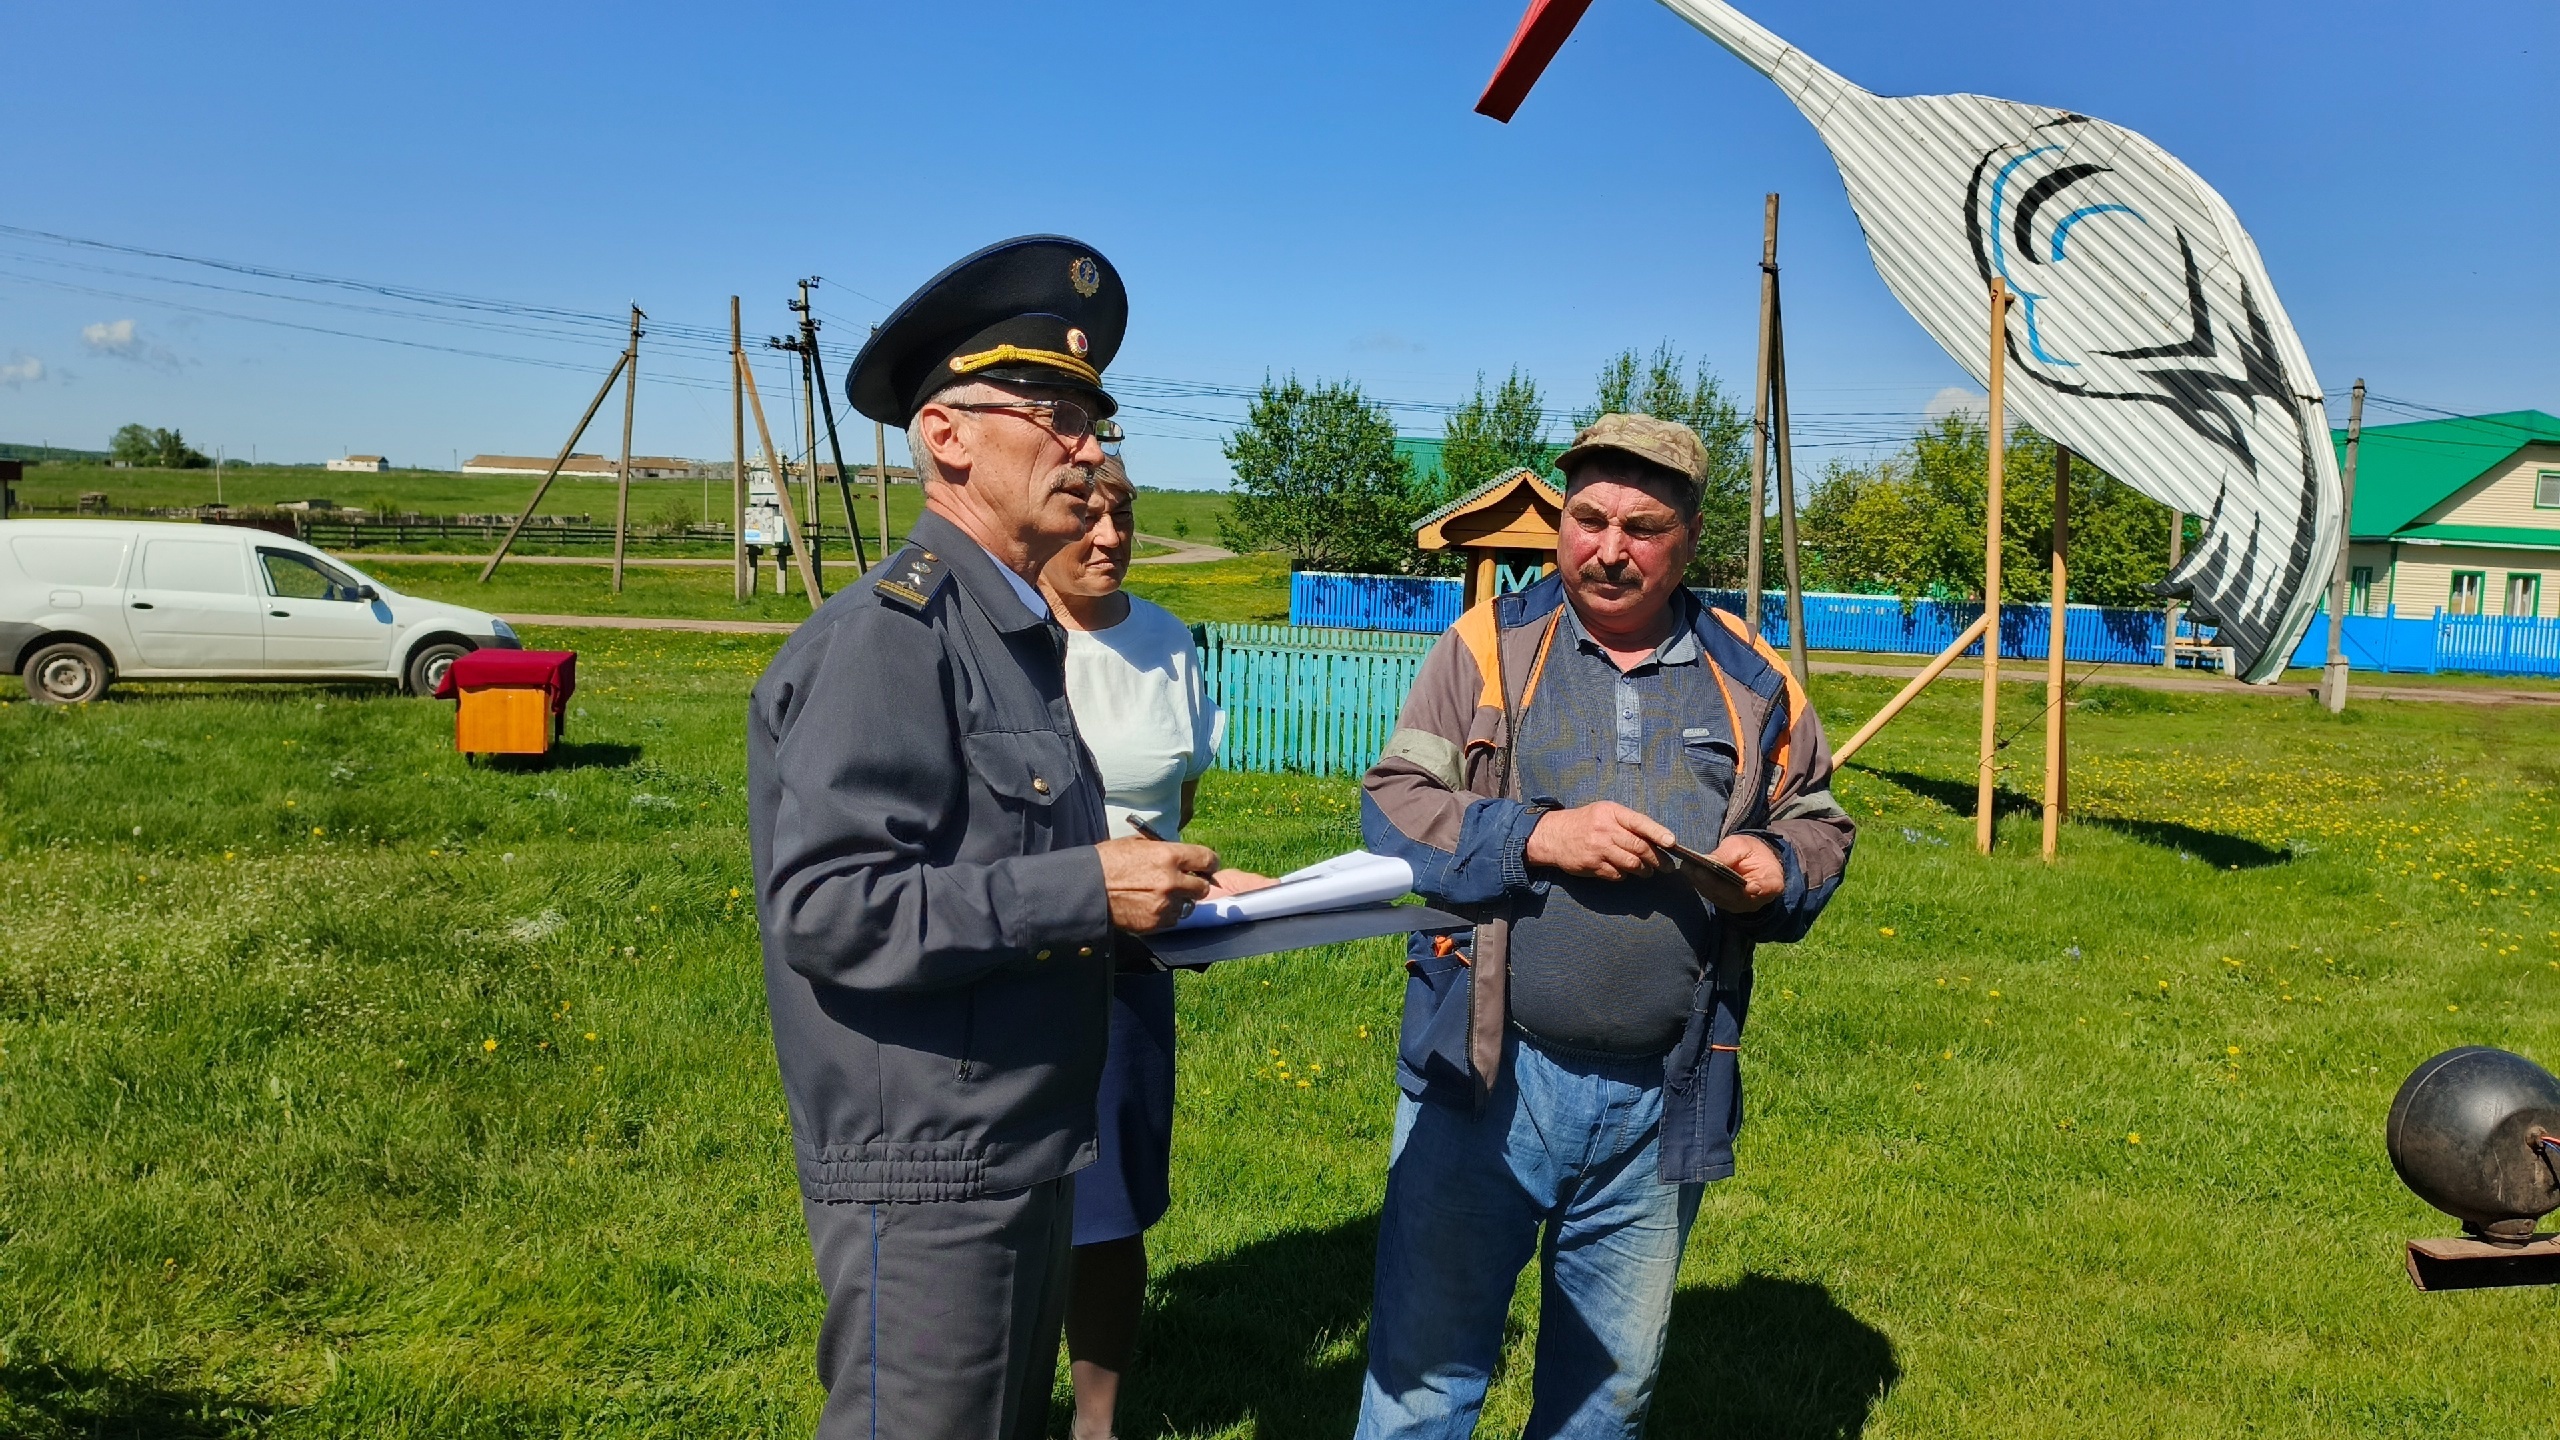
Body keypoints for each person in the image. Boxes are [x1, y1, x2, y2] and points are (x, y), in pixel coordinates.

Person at [747, 235, 1221, 1440]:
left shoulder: (1008, 631)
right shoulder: (894, 639)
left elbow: (1000, 869)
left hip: (1016, 1147)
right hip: (930, 1173)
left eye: (1095, 420)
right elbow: (829, 908)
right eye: (1053, 412)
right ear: (947, 436)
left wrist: (1165, 890)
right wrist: (1083, 890)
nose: (1089, 447)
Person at [1355, 413, 1857, 1438]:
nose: (1607, 548)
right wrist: (1537, 839)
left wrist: (1777, 862)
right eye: (1586, 520)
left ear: (1689, 540)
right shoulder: (1488, 647)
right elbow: (1394, 807)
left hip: (1662, 1091)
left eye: (1642, 527)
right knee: (1422, 1381)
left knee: (1608, 1396)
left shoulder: (1752, 677)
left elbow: (1819, 819)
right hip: (1485, 1075)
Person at [1037, 453, 1268, 1440]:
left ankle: (1097, 1421)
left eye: (1122, 514)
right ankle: (996, 1396)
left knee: (1112, 1203)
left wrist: (1203, 891)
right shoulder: (1002, 640)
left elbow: (1183, 806)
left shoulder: (1170, 643)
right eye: (1084, 513)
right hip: (1021, 947)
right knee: (1013, 1199)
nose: (1107, 535)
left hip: (1133, 964)